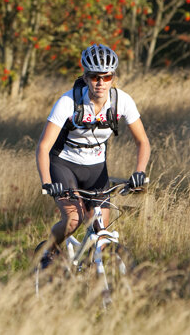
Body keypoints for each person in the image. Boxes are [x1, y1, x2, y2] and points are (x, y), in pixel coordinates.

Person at [36, 44, 150, 266]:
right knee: (73, 220)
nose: (100, 83)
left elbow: (142, 141)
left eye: (106, 77)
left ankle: (95, 273)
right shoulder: (68, 102)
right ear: (86, 77)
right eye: (94, 77)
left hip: (96, 167)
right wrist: (48, 183)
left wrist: (139, 171)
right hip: (64, 164)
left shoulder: (122, 101)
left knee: (101, 232)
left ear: (113, 77)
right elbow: (43, 146)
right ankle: (48, 250)